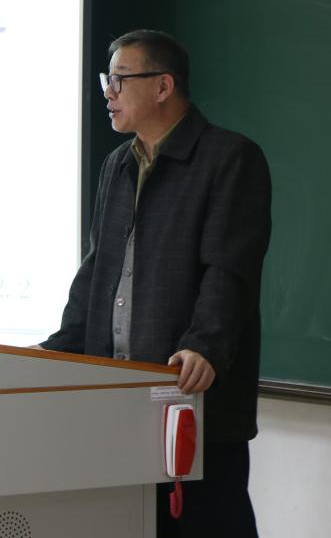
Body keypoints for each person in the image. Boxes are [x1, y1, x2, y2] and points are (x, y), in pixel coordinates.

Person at [39, 29, 272, 537]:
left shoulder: (229, 158)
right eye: (107, 80)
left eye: (120, 80)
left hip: (190, 397)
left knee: (209, 526)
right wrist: (57, 350)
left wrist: (204, 345)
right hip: (117, 401)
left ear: (163, 86)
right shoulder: (118, 164)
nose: (108, 93)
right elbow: (98, 269)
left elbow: (229, 269)